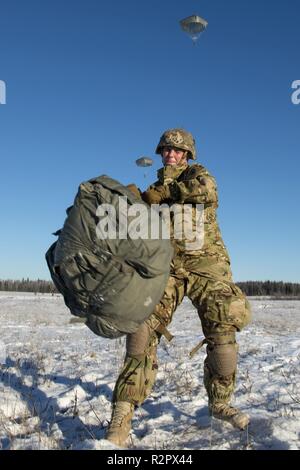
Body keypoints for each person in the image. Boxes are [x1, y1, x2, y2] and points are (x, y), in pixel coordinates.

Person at [106, 128, 251, 447]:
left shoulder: (198, 176)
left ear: (187, 154)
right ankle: (123, 412)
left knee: (223, 332)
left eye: (176, 150)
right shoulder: (153, 190)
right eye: (165, 150)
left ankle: (220, 402)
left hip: (205, 263)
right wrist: (132, 203)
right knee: (141, 329)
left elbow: (207, 190)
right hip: (167, 267)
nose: (170, 154)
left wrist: (165, 191)